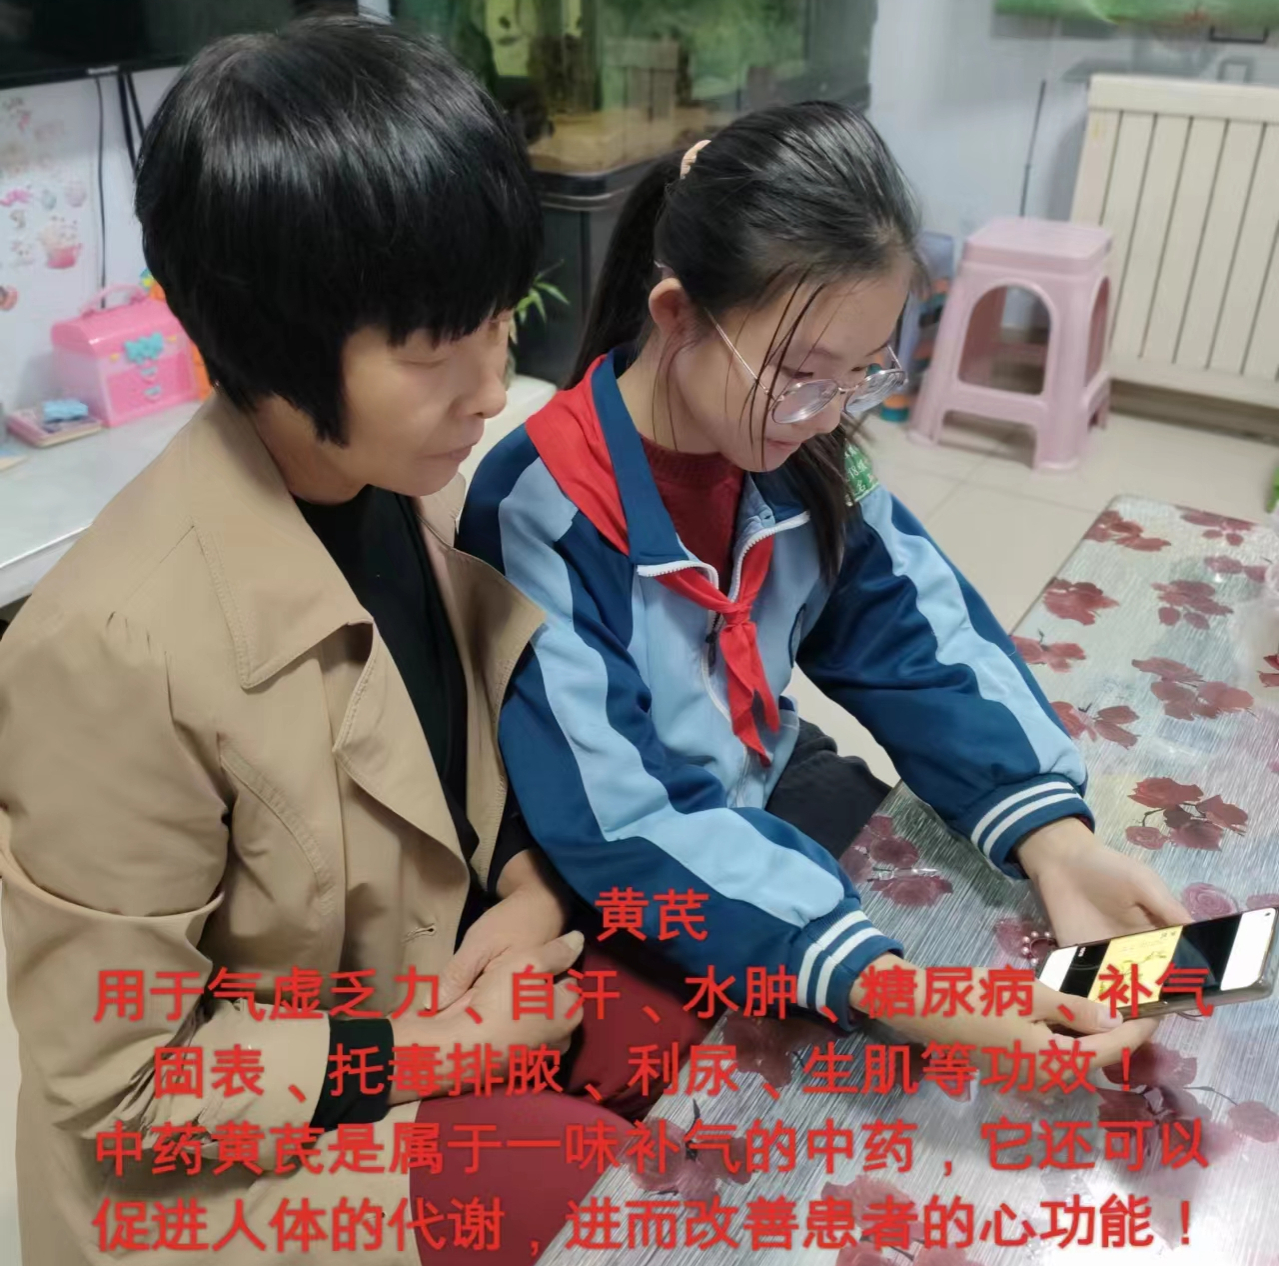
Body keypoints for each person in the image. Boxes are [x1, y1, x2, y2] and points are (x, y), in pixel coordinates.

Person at [0, 19, 703, 1266]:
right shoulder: (108, 651)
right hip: (209, 1165)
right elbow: (126, 1091)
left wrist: (530, 891)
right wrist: (445, 1049)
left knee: (697, 1003)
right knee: (588, 1183)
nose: (488, 388)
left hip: (436, 991)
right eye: (434, 352)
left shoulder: (416, 488)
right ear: (266, 346)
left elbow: (482, 777)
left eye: (498, 322)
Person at [460, 101, 1191, 1075]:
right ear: (677, 316)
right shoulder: (542, 507)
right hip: (615, 860)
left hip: (762, 777)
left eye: (861, 373)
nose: (824, 414)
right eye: (802, 374)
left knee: (974, 915)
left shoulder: (799, 451)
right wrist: (901, 992)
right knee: (691, 1069)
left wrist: (1054, 838)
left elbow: (914, 632)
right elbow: (626, 816)